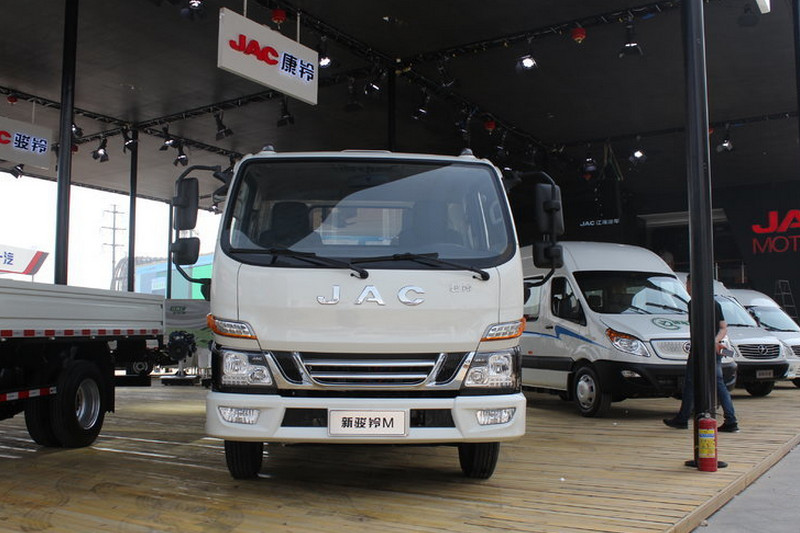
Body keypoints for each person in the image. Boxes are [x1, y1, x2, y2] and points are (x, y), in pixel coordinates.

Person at [663, 274, 739, 432]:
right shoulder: (715, 303)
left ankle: (683, 418)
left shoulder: (693, 304)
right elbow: (723, 327)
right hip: (714, 350)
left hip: (699, 349)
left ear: (693, 285)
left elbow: (696, 329)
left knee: (690, 384)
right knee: (719, 384)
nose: (686, 287)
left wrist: (705, 344)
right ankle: (731, 419)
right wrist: (715, 341)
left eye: (687, 283)